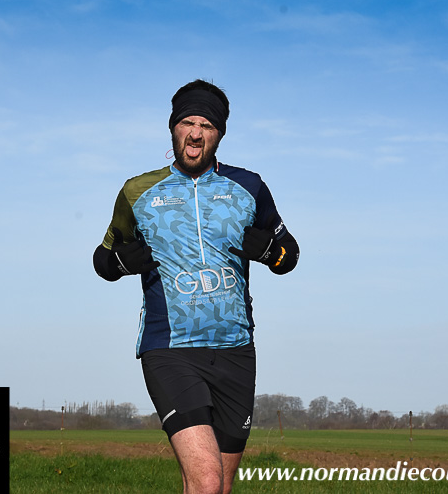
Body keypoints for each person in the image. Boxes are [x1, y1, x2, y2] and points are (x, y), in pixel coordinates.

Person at [93, 79, 299, 494]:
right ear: (173, 128)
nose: (195, 133)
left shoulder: (250, 187)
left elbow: (289, 254)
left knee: (217, 486)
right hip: (171, 349)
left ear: (219, 134)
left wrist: (269, 252)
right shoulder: (138, 191)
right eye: (188, 122)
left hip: (236, 350)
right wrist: (121, 263)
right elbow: (103, 259)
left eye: (207, 125)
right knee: (206, 480)